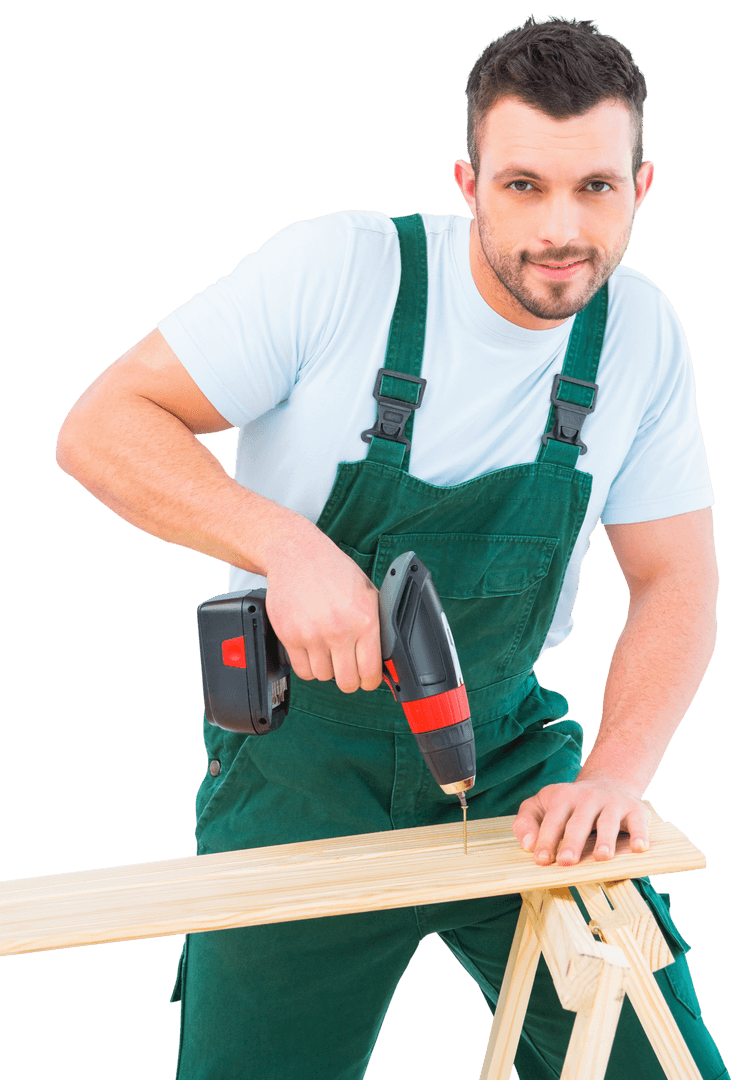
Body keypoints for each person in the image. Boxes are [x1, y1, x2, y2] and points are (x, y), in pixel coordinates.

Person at [55, 16, 729, 1080]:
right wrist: (290, 550)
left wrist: (613, 778)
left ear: (641, 187)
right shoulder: (339, 270)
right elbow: (100, 427)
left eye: (594, 188)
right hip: (299, 773)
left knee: (650, 1053)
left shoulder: (641, 333)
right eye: (522, 186)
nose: (560, 228)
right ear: (468, 182)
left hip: (507, 757)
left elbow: (677, 581)